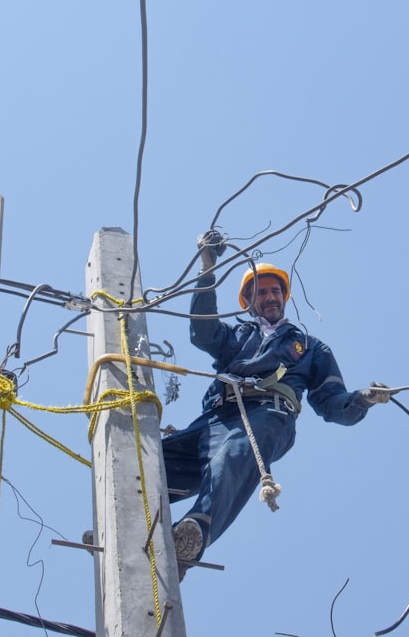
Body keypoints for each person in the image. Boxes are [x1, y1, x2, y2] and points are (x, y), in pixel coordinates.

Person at [163, 232, 393, 574]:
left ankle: (195, 531)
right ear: (248, 300)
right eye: (261, 292)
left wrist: (363, 399)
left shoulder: (309, 347)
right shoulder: (237, 336)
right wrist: (208, 266)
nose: (270, 297)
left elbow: (333, 405)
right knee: (154, 461)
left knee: (234, 455)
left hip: (268, 415)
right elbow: (202, 333)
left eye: (275, 291)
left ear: (284, 296)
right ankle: (128, 517)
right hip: (214, 419)